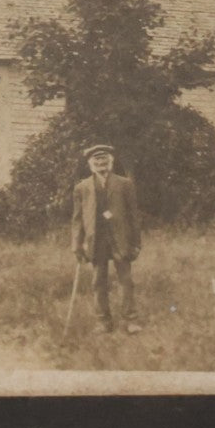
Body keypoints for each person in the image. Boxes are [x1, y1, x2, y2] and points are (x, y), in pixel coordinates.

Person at [71, 143, 141, 334]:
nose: (101, 162)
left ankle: (131, 320)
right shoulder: (82, 188)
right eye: (96, 159)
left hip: (120, 238)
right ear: (90, 163)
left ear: (111, 161)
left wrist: (136, 244)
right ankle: (103, 321)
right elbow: (77, 219)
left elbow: (133, 216)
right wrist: (76, 244)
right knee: (98, 281)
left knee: (126, 280)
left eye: (104, 158)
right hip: (97, 240)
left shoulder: (124, 184)